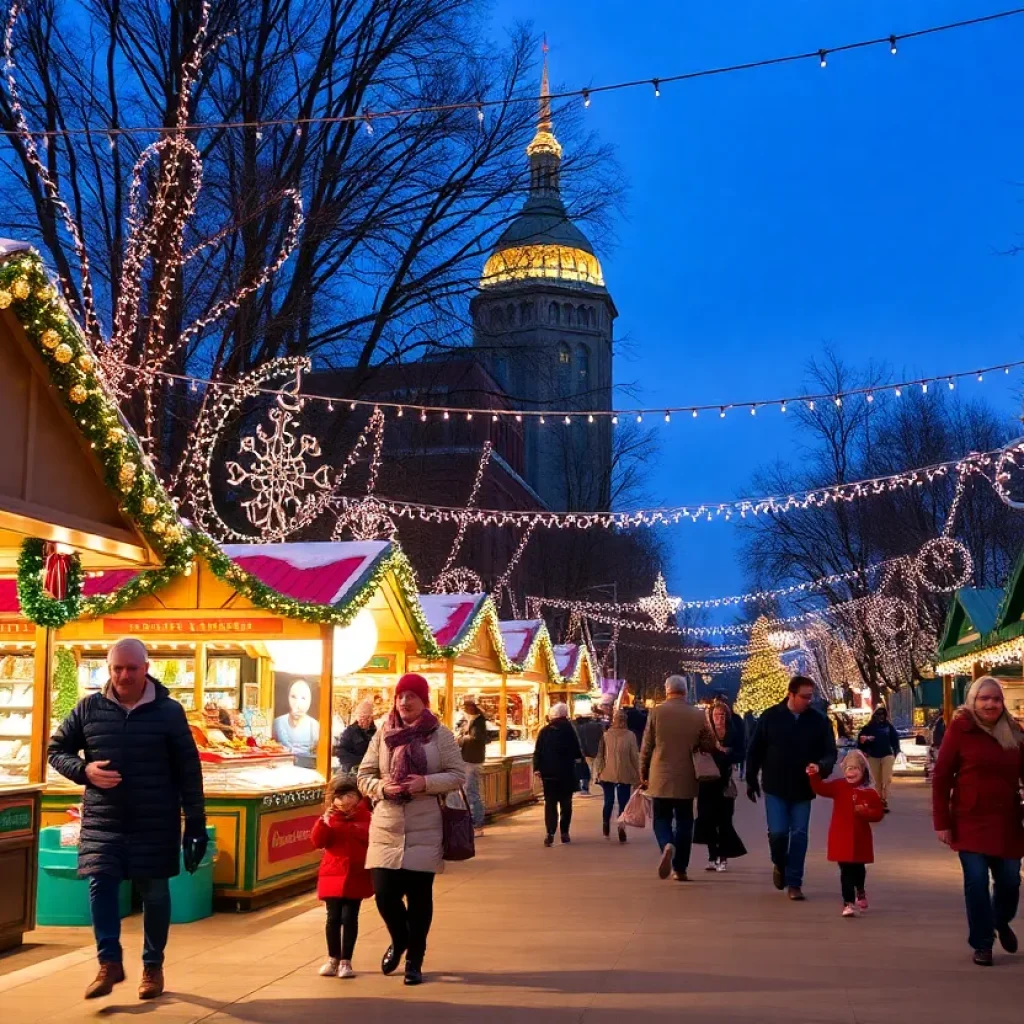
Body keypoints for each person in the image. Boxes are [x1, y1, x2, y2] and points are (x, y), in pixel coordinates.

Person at [47, 638, 206, 1001]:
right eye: (117, 668)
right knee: (100, 885)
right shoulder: (89, 708)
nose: (123, 675)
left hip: (156, 819)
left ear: (145, 668)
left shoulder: (168, 711)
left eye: (131, 668)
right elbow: (57, 750)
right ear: (109, 668)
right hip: (104, 820)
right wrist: (84, 771)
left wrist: (195, 820)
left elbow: (187, 767)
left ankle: (153, 965)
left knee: (155, 893)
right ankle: (109, 962)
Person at [357, 673, 465, 986]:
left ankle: (414, 961)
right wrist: (381, 787)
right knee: (384, 895)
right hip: (387, 824)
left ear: (424, 700)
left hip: (425, 824)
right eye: (401, 695)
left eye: (412, 696)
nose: (405, 701)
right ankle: (400, 939)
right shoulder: (382, 732)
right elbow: (363, 775)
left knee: (419, 898)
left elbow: (458, 774)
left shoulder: (439, 735)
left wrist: (426, 783)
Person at [932, 676, 1024, 966]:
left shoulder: (1014, 732)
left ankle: (1000, 919)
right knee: (976, 882)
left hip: (1007, 820)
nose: (990, 703)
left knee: (1010, 880)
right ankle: (982, 943)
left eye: (996, 699)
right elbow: (942, 776)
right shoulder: (961, 729)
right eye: (984, 698)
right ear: (973, 700)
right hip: (969, 819)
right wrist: (942, 822)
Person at [746, 675, 837, 901]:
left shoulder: (818, 721)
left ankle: (794, 883)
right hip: (775, 786)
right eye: (804, 696)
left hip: (803, 788)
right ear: (791, 694)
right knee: (778, 834)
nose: (809, 700)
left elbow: (829, 752)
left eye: (811, 696)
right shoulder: (770, 717)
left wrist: (822, 766)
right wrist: (750, 778)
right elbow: (755, 749)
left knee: (798, 835)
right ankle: (779, 863)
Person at [640, 675, 716, 882]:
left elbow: (647, 745)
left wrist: (643, 771)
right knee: (684, 821)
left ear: (667, 690)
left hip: (660, 773)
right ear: (685, 691)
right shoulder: (698, 715)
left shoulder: (656, 712)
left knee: (661, 817)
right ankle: (680, 868)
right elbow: (709, 744)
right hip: (687, 774)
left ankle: (666, 843)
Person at [807, 750, 884, 917]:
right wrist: (814, 775)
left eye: (855, 768)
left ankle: (860, 890)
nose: (851, 772)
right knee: (845, 871)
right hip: (840, 837)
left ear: (863, 770)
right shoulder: (839, 786)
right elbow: (821, 788)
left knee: (858, 869)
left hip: (860, 838)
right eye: (848, 768)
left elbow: (878, 814)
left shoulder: (869, 793)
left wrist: (865, 812)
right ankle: (848, 902)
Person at [312, 776, 373, 978]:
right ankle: (332, 959)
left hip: (356, 874)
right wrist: (324, 823)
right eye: (340, 796)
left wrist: (356, 829)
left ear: (358, 796)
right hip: (332, 873)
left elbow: (371, 840)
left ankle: (346, 960)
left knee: (350, 917)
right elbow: (318, 842)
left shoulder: (367, 816)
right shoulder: (329, 818)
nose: (345, 800)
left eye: (349, 795)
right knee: (333, 918)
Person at [693, 700, 747, 872]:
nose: (720, 718)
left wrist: (729, 754)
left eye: (723, 715)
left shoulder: (734, 732)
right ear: (711, 716)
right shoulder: (706, 733)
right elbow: (696, 750)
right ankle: (712, 856)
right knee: (708, 820)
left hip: (724, 782)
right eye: (717, 715)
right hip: (707, 782)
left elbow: (741, 753)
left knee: (724, 821)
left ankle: (723, 857)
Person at [533, 702, 584, 846]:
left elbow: (538, 751)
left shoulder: (544, 731)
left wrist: (537, 768)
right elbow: (576, 751)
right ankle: (564, 832)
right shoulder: (569, 730)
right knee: (566, 803)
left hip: (548, 773)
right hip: (566, 773)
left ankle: (550, 832)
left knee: (550, 803)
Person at [592, 709, 640, 842]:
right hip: (625, 773)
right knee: (623, 803)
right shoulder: (630, 735)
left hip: (607, 773)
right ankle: (621, 826)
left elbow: (600, 756)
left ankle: (606, 824)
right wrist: (639, 773)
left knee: (609, 801)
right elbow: (635, 757)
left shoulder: (606, 735)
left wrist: (597, 773)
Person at [453, 696, 488, 837]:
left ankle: (477, 825)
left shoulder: (478, 721)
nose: (465, 709)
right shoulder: (467, 720)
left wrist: (460, 740)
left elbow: (476, 738)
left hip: (472, 760)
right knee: (468, 793)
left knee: (471, 793)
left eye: (467, 706)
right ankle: (472, 823)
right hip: (467, 759)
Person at [856, 706, 901, 811]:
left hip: (887, 755)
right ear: (874, 715)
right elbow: (860, 740)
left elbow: (895, 740)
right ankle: (879, 800)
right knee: (876, 780)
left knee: (886, 779)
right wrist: (866, 740)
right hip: (873, 756)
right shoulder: (868, 727)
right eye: (879, 714)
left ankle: (884, 799)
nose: (881, 717)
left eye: (883, 714)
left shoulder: (888, 726)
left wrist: (896, 751)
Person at [273, 679, 320, 768]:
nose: (298, 704)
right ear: (287, 698)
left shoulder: (314, 726)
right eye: (293, 697)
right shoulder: (278, 723)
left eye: (303, 698)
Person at [335, 700, 377, 776]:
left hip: (370, 772)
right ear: (357, 717)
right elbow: (340, 751)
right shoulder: (350, 731)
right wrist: (361, 760)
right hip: (352, 772)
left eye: (367, 718)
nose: (363, 721)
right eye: (361, 717)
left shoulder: (376, 732)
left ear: (371, 718)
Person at [575, 712, 604, 796]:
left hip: (584, 751)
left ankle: (586, 787)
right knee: (596, 768)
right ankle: (596, 782)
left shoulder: (578, 728)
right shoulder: (598, 726)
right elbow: (601, 737)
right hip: (597, 750)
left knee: (587, 768)